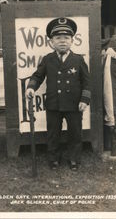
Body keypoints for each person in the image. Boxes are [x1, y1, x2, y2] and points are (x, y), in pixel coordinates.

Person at [25, 17, 91, 171]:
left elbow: (87, 82)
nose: (62, 41)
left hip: (74, 104)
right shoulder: (48, 59)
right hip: (54, 104)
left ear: (72, 40)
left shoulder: (78, 59)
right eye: (58, 38)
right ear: (51, 42)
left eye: (66, 38)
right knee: (53, 133)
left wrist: (85, 100)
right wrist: (31, 88)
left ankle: (74, 159)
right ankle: (53, 159)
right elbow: (37, 76)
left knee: (75, 133)